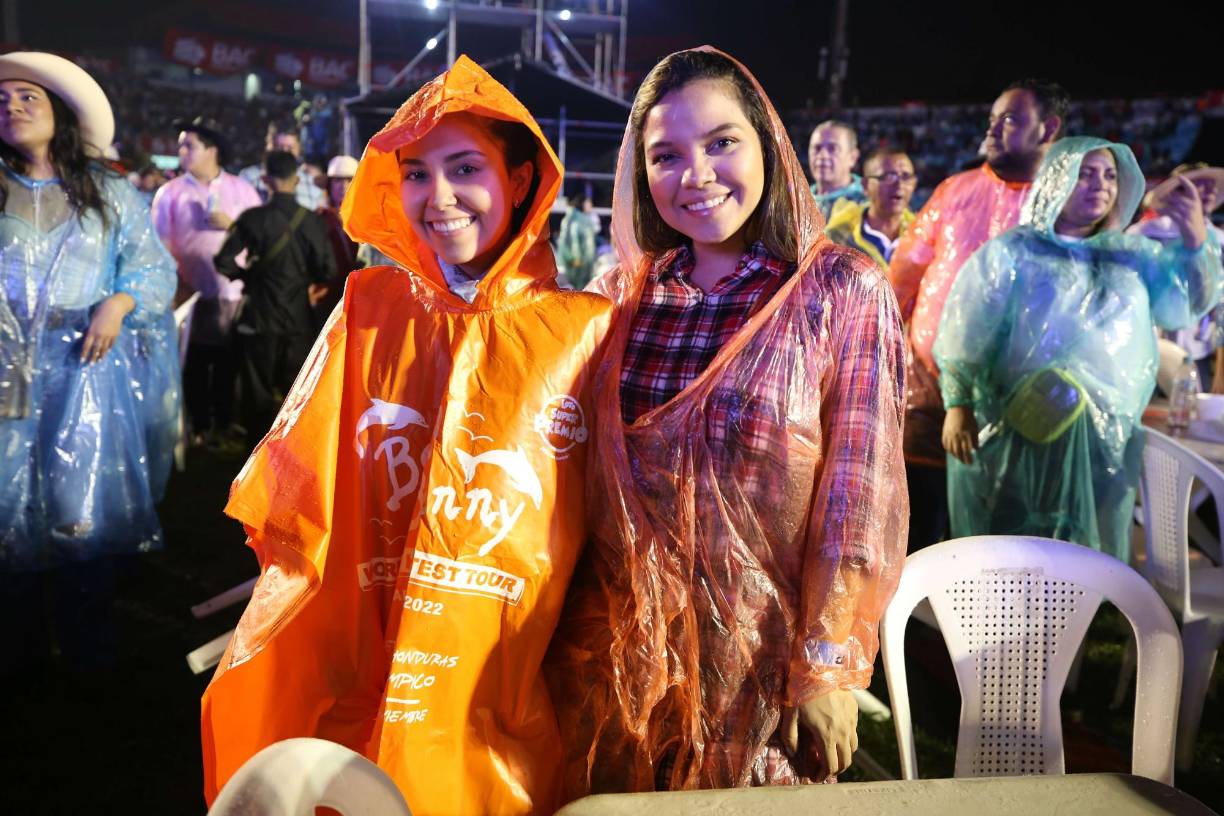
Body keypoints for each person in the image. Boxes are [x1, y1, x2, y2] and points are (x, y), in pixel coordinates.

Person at [201, 56, 612, 815]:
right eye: (417, 173)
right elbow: (301, 482)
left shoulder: (584, 331)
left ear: (522, 181)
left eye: (465, 168)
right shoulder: (368, 307)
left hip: (507, 677)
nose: (439, 197)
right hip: (367, 642)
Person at [546, 48, 907, 796]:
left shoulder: (840, 292)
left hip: (761, 675)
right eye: (665, 155)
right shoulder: (619, 297)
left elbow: (857, 495)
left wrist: (829, 663)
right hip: (615, 663)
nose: (697, 175)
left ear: (768, 145)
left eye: (721, 143)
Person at [935, 137, 1220, 562]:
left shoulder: (1132, 256)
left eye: (1108, 175)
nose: (1099, 185)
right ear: (1055, 179)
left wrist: (1195, 240)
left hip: (1101, 435)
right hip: (1016, 424)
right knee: (1014, 534)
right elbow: (968, 329)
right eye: (1084, 173)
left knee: (1090, 538)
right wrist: (958, 403)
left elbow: (1189, 304)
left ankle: (1092, 616)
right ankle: (1001, 623)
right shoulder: (1012, 252)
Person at [0, 52, 179, 667]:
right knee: (6, 506)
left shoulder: (108, 195)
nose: (13, 106)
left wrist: (121, 300)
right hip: (3, 376)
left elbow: (154, 268)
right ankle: (18, 649)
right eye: (3, 99)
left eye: (29, 97)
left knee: (82, 507)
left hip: (83, 373)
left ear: (61, 115)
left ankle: (87, 649)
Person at [887, 78, 1068, 551]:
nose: (993, 128)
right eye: (992, 118)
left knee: (998, 536)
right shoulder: (954, 192)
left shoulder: (1063, 208)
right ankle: (906, 623)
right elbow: (902, 279)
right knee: (917, 525)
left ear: (1048, 128)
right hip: (925, 392)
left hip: (1016, 403)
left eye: (1009, 118)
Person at [213, 150, 335, 446]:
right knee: (296, 394)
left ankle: (256, 458)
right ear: (296, 179)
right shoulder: (312, 222)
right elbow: (328, 269)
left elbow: (224, 261)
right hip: (298, 320)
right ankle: (292, 453)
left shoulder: (252, 219)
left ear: (266, 179)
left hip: (259, 319)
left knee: (257, 393)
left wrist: (248, 277)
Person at [152, 116, 261, 443]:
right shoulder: (169, 193)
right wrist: (174, 286)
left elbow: (259, 239)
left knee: (228, 360)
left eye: (190, 145)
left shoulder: (242, 190)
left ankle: (224, 420)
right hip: (189, 294)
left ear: (212, 149)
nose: (181, 151)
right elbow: (158, 247)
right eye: (182, 145)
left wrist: (231, 224)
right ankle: (199, 425)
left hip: (233, 292)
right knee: (195, 362)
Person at [1128, 163, 1224, 390]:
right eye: (1201, 185)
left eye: (1213, 187)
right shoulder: (1145, 234)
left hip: (1200, 346)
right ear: (1178, 192)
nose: (1210, 192)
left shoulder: (1220, 241)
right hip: (1146, 341)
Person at [824, 148, 918, 267]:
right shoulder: (838, 238)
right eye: (888, 177)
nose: (899, 184)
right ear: (866, 185)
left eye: (905, 176)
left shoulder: (922, 236)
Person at [240, 123, 326, 210]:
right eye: (278, 147)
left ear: (299, 149)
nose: (284, 153)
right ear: (268, 146)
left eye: (290, 148)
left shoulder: (311, 182)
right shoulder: (248, 178)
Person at [807, 120, 864, 221]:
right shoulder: (798, 199)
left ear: (852, 158)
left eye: (832, 148)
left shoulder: (868, 200)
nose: (822, 155)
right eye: (817, 148)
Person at [556, 192, 598, 288]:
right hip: (577, 265)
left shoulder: (582, 219)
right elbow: (571, 240)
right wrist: (575, 258)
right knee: (577, 290)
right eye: (588, 202)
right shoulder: (574, 219)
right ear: (582, 203)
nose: (591, 205)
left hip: (583, 264)